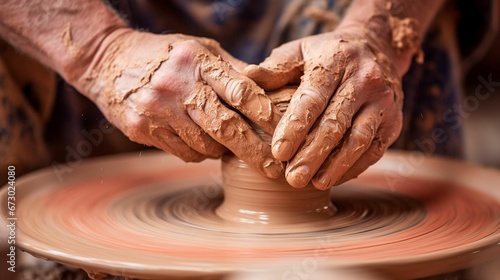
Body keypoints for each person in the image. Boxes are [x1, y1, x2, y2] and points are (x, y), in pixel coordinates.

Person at [0, 0, 495, 188]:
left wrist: (380, 35)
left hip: (334, 13)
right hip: (85, 15)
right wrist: (98, 51)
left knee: (388, 63)